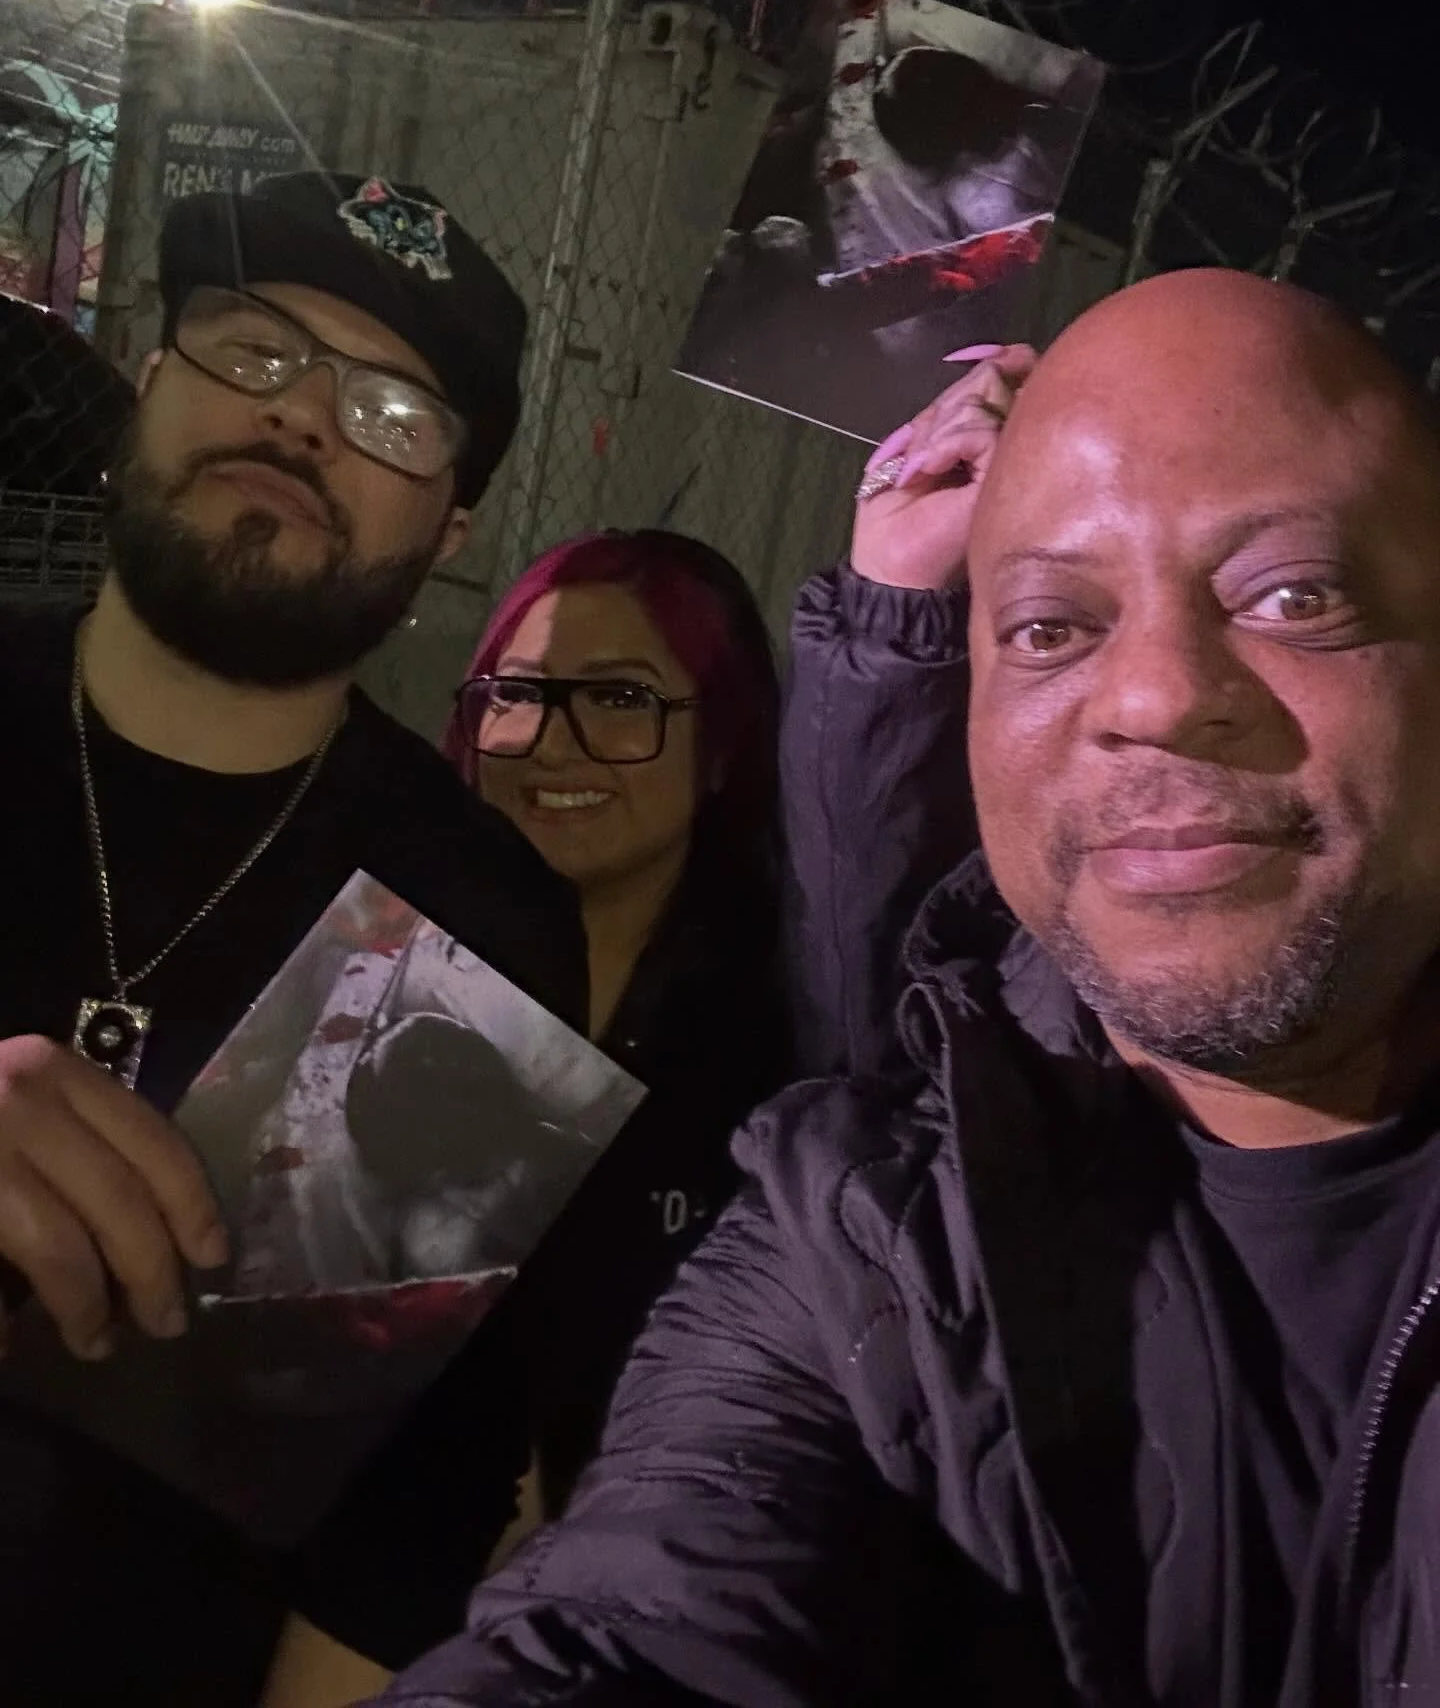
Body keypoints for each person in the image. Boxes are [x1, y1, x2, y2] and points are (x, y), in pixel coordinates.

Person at [368, 269, 1440, 1707]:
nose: (1156, 696)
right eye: (1051, 626)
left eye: (1295, 595)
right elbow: (636, 1613)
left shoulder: (750, 1027)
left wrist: (889, 621)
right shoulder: (857, 1226)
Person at [0, 170, 588, 1708]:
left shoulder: (475, 920)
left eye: (392, 413)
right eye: (255, 347)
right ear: (148, 382)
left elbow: (403, 1509)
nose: (305, 417)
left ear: (452, 529)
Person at [439, 529, 789, 1513]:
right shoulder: (384, 968)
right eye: (518, 692)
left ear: (723, 748)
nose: (552, 741)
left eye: (622, 698)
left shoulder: (777, 1035)